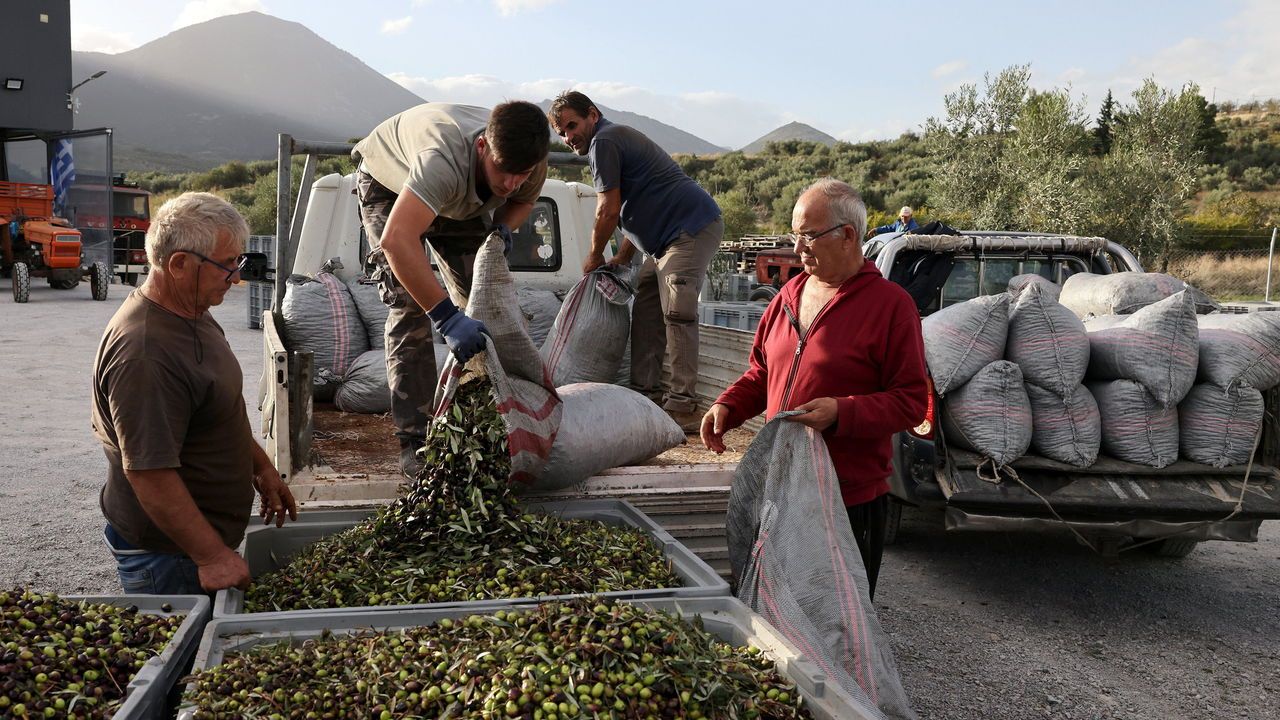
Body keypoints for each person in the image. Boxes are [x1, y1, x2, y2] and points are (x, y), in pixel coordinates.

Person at [700, 179, 928, 599]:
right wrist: (728, 406)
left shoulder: (891, 307)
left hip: (845, 501)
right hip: (781, 488)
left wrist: (842, 413)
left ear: (848, 236)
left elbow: (911, 403)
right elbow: (762, 372)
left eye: (808, 235)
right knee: (776, 607)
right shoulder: (787, 295)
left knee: (838, 625)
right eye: (795, 234)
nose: (798, 246)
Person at [92, 192, 298, 595]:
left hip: (190, 550)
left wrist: (261, 467)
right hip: (170, 558)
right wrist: (211, 557)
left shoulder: (193, 313)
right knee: (188, 657)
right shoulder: (146, 353)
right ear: (180, 264)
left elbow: (218, 410)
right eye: (227, 266)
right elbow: (149, 473)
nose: (236, 278)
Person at [352, 101, 550, 476]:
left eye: (520, 174)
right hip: (390, 182)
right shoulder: (442, 160)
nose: (510, 183)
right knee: (410, 304)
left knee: (483, 298)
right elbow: (398, 240)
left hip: (457, 201)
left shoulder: (531, 161)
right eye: (503, 171)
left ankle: (486, 422)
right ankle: (416, 439)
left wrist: (503, 227)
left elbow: (523, 199)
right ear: (482, 148)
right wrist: (444, 316)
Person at [548, 91, 723, 432]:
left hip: (689, 228)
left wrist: (595, 255)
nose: (569, 137)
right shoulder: (610, 141)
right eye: (562, 134)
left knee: (677, 311)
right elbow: (632, 204)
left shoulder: (604, 143)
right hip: (661, 243)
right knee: (645, 304)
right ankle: (646, 394)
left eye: (572, 126)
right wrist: (623, 255)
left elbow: (608, 209)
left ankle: (684, 406)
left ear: (592, 115)